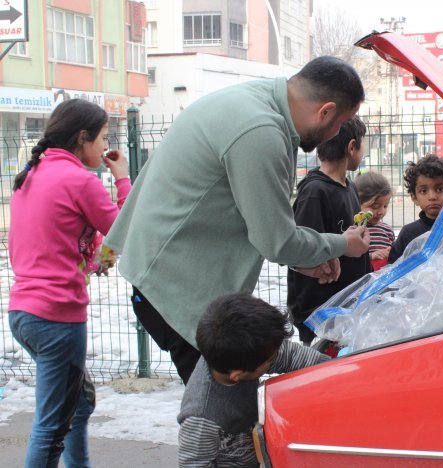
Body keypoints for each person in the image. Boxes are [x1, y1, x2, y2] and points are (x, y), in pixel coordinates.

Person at [104, 56, 370, 383]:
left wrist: (307, 259)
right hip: (176, 289)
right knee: (222, 413)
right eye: (341, 123)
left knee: (229, 405)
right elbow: (278, 241)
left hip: (169, 274)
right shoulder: (260, 130)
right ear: (325, 111)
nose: (336, 133)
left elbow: (254, 218)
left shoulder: (256, 103)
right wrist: (343, 245)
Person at [8, 98, 131, 467]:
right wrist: (123, 178)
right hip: (57, 319)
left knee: (79, 400)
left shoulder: (31, 176)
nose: (105, 146)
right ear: (82, 138)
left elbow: (57, 242)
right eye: (103, 138)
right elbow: (128, 231)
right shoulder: (79, 180)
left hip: (24, 314)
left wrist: (94, 257)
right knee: (51, 426)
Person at [177, 293, 329, 467]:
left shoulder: (236, 354)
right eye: (270, 360)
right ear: (237, 375)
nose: (277, 357)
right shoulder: (202, 418)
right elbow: (194, 464)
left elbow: (290, 355)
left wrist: (335, 369)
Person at [287, 115, 372, 344]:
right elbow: (303, 253)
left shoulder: (349, 186)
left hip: (348, 305)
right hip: (322, 314)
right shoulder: (315, 192)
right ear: (351, 147)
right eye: (362, 145)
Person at [388, 154, 443, 264]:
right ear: (414, 197)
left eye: (440, 189)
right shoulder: (408, 233)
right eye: (423, 191)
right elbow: (393, 269)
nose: (432, 197)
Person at [355, 171, 395, 271]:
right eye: (375, 206)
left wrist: (391, 252)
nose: (381, 211)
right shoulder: (355, 230)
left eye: (385, 206)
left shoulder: (387, 230)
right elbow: (351, 259)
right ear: (357, 202)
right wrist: (371, 256)